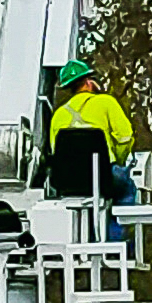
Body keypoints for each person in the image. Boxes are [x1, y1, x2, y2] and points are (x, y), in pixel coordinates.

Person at [49, 60, 138, 210]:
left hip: (69, 181)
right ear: (88, 81)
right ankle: (115, 231)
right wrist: (119, 161)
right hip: (103, 176)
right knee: (126, 187)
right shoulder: (106, 102)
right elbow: (125, 137)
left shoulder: (58, 115)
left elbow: (54, 150)